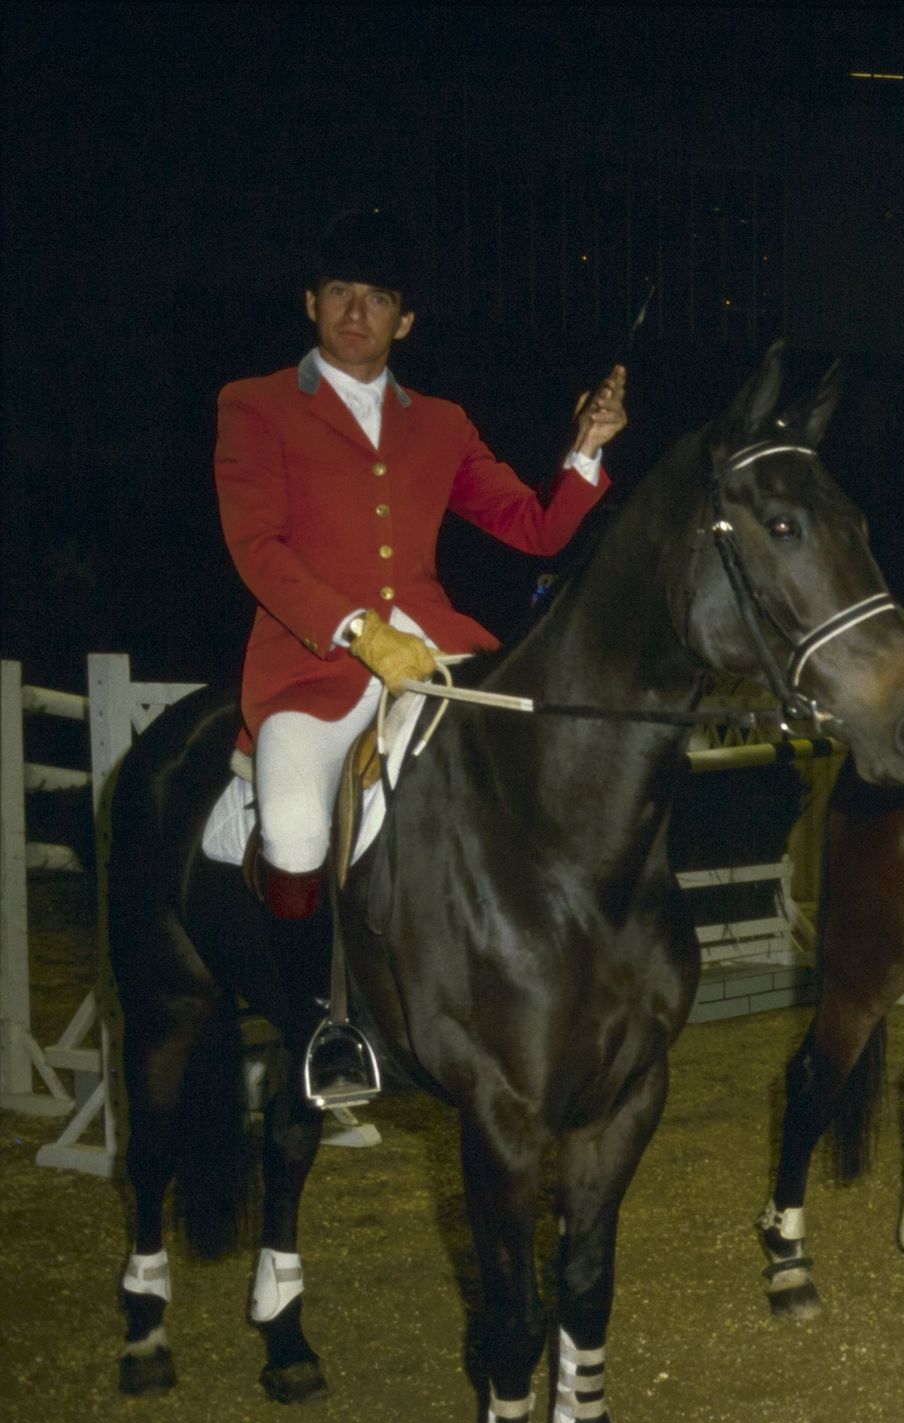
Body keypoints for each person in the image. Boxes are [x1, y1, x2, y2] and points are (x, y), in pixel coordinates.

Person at [215, 208, 626, 1103]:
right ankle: (316, 1024)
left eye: (378, 299)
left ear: (405, 322)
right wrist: (360, 629)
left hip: (440, 656)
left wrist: (585, 452)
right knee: (292, 828)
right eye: (339, 294)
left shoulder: (440, 422)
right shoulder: (254, 405)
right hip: (312, 667)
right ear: (311, 304)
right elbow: (258, 548)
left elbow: (533, 524)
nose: (355, 311)